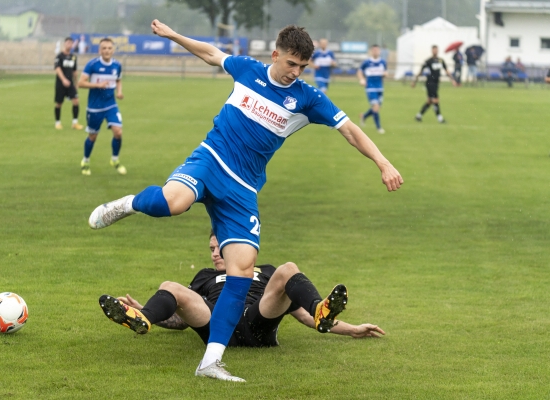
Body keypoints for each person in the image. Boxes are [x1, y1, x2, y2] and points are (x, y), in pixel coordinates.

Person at [88, 20, 403, 382]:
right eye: (290, 64)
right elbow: (210, 53)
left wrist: (383, 162)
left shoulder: (308, 98)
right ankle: (126, 204)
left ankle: (210, 362)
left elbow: (349, 129)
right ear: (275, 55)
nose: (295, 73)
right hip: (210, 160)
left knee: (241, 267)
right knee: (170, 204)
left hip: (242, 189)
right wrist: (174, 35)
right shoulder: (247, 71)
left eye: (302, 67)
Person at [98, 231, 385, 382]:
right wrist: (156, 317)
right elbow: (183, 320)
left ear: (233, 246)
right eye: (210, 248)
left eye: (218, 247)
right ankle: (142, 318)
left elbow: (302, 316)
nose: (213, 253)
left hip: (257, 320)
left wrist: (351, 330)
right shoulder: (204, 276)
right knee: (170, 286)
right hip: (216, 325)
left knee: (287, 269)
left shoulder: (264, 270)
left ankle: (320, 305)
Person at [77, 38, 126, 176]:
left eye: (109, 48)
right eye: (104, 48)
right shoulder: (92, 65)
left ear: (113, 50)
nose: (107, 51)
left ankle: (115, 160)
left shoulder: (117, 65)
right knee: (93, 136)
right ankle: (85, 161)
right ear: (99, 50)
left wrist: (119, 92)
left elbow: (118, 79)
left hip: (111, 105)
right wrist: (97, 85)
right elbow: (80, 83)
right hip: (94, 107)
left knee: (118, 132)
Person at [412, 45, 457, 123]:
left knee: (429, 101)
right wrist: (414, 81)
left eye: (436, 50)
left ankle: (418, 116)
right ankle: (440, 118)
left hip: (436, 83)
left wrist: (452, 80)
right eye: (434, 50)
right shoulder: (428, 61)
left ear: (438, 51)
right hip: (430, 82)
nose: (435, 51)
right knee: (435, 100)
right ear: (432, 51)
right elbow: (421, 71)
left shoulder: (441, 60)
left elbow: (447, 71)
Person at [54, 37, 83, 131]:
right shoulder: (59, 56)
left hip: (70, 84)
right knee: (59, 103)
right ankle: (57, 123)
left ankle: (75, 123)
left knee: (76, 101)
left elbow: (74, 71)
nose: (69, 45)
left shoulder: (73, 57)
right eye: (67, 43)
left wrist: (76, 82)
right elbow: (57, 69)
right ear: (64, 44)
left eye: (71, 43)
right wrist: (63, 80)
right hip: (61, 83)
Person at [357, 44, 387, 134]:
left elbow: (385, 72)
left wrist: (385, 74)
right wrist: (362, 79)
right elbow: (359, 71)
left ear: (379, 51)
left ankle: (364, 116)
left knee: (376, 108)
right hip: (370, 88)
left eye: (377, 50)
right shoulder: (367, 62)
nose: (375, 52)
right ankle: (379, 128)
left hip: (380, 88)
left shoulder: (383, 62)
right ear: (371, 51)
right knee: (376, 106)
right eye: (374, 50)